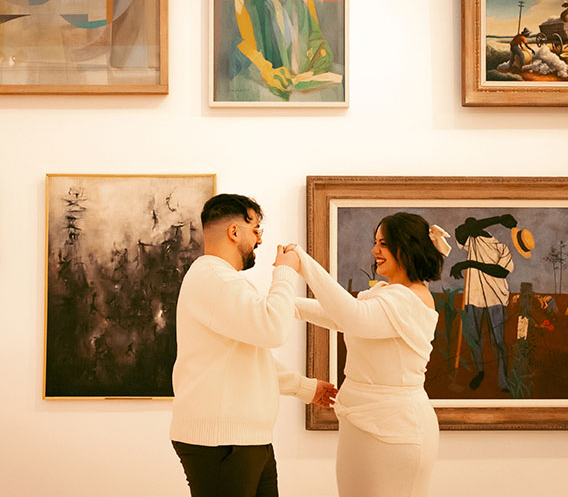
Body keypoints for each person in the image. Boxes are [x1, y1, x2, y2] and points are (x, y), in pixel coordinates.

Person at [170, 193, 337, 497]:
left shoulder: (219, 280)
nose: (260, 240)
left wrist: (305, 387)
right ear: (234, 232)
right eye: (256, 230)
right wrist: (285, 271)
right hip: (223, 442)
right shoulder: (216, 280)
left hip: (241, 440)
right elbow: (273, 329)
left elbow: (247, 357)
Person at [286, 212, 451, 497]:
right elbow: (339, 315)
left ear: (407, 247)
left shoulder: (410, 298)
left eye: (384, 244)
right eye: (375, 242)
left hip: (393, 429)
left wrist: (304, 263)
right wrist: (283, 303)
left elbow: (352, 316)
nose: (375, 251)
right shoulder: (390, 293)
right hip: (370, 425)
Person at [227, 0, 341, 101]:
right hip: (265, 83)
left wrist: (319, 58)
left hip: (301, 82)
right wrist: (265, 70)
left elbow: (316, 39)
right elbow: (244, 45)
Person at [449, 215, 518, 393]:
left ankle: (503, 380)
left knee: (498, 342)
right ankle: (480, 372)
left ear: (478, 227)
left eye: (471, 226)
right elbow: (460, 231)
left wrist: (469, 263)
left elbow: (501, 272)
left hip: (496, 299)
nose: (467, 230)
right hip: (473, 298)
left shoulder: (501, 247)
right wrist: (498, 219)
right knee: (474, 339)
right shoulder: (471, 242)